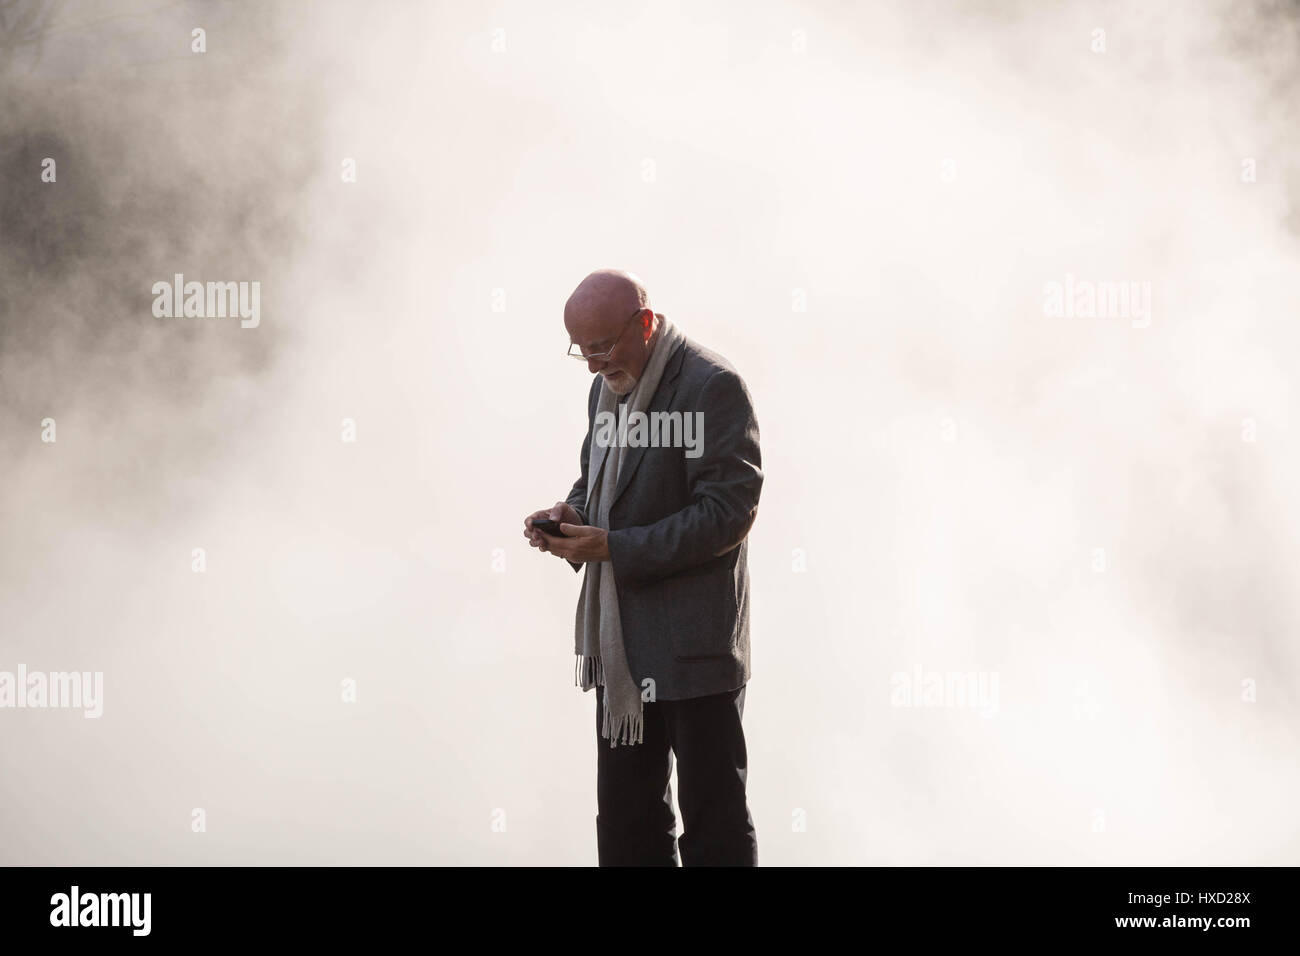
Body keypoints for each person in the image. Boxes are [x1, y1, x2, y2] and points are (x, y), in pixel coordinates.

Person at [523, 268, 763, 866]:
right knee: (628, 825)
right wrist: (569, 515)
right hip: (623, 648)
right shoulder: (605, 387)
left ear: (647, 323)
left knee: (715, 826)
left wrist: (614, 548)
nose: (593, 363)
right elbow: (599, 482)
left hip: (696, 650)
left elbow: (727, 514)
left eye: (603, 345)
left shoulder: (713, 386)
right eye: (582, 349)